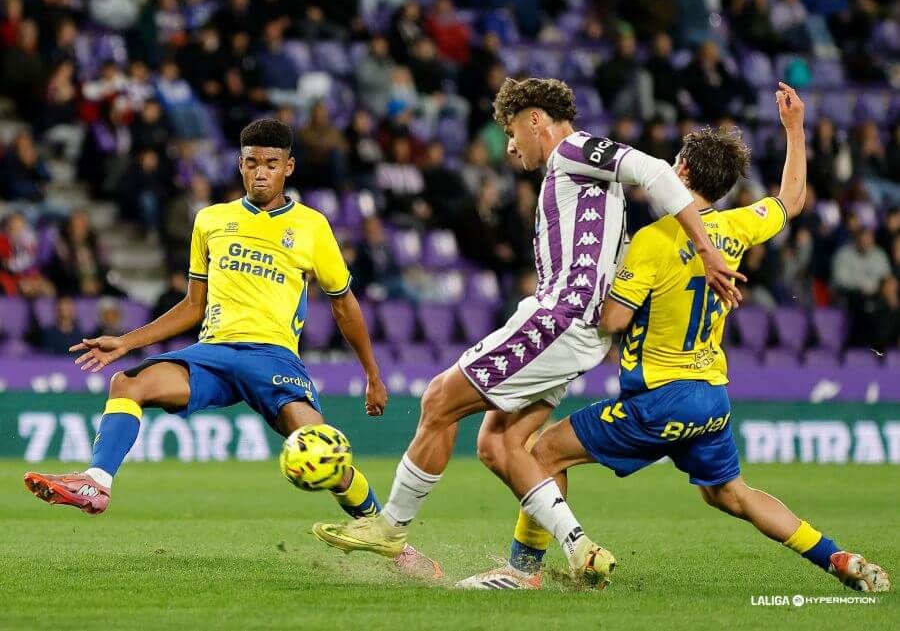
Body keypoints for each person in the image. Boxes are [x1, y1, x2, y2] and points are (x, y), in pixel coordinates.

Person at [459, 84, 891, 593]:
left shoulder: (654, 239)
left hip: (658, 398)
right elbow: (792, 199)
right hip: (710, 395)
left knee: (540, 450)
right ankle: (836, 557)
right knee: (731, 494)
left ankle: (522, 573)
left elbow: (614, 322)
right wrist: (795, 128)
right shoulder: (736, 228)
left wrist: (583, 294)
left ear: (681, 172)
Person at [310, 77, 743, 582]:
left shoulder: (574, 149)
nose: (511, 146)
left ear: (536, 119)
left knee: (437, 401)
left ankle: (391, 527)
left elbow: (653, 171)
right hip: (574, 326)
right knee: (500, 444)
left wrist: (706, 248)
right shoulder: (575, 176)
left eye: (514, 130)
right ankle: (578, 549)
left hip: (560, 319)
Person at [23, 118, 440, 580]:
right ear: (240, 166)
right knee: (128, 382)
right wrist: (127, 340)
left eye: (272, 164)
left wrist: (373, 374)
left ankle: (391, 540)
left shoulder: (312, 227)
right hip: (214, 354)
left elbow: (345, 306)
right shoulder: (212, 220)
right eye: (251, 163)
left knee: (320, 448)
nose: (261, 172)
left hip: (273, 358)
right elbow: (192, 305)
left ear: (289, 168)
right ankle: (96, 483)